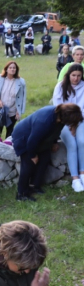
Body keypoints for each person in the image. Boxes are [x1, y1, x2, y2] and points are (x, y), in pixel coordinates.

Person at [13, 104, 83, 201]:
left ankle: (34, 186)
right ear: (65, 118)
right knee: (28, 164)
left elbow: (56, 130)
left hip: (40, 139)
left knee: (45, 159)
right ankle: (22, 194)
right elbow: (32, 140)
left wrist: (54, 142)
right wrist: (33, 155)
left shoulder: (60, 117)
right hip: (24, 138)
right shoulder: (44, 121)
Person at [53, 64, 84, 192]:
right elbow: (58, 107)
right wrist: (70, 124)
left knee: (82, 142)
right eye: (73, 75)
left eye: (78, 76)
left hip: (81, 121)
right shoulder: (60, 86)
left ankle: (82, 173)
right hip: (63, 122)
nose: (76, 78)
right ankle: (75, 179)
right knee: (72, 144)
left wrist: (76, 124)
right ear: (68, 75)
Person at [0, 61, 27, 138]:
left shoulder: (21, 82)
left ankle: (7, 147)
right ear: (6, 69)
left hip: (12, 111)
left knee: (10, 133)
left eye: (14, 68)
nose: (12, 69)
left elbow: (22, 98)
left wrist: (19, 111)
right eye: (10, 68)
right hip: (0, 110)